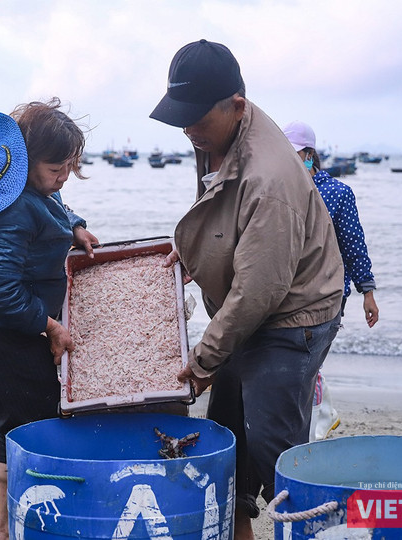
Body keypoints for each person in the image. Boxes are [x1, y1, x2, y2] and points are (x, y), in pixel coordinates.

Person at [150, 40, 344, 539]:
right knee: (228, 428)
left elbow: (261, 290)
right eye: (181, 118)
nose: (188, 130)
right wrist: (195, 253)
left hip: (294, 314)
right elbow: (219, 210)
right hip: (250, 303)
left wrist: (201, 361)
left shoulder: (271, 179)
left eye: (196, 119)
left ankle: (304, 529)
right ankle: (240, 529)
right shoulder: (215, 133)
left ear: (237, 105)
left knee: (273, 445)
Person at [0, 100, 97, 540]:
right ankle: (5, 528)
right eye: (56, 168)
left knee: (31, 410)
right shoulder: (11, 211)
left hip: (8, 321)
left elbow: (56, 205)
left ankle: (13, 521)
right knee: (23, 420)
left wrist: (76, 227)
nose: (64, 176)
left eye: (70, 166)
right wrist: (50, 326)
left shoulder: (29, 187)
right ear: (26, 164)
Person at [282, 120, 379, 440]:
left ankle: (314, 424)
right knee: (300, 363)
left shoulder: (338, 193)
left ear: (310, 155)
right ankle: (323, 412)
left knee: (308, 362)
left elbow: (353, 244)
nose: (289, 160)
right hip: (290, 293)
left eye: (296, 154)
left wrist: (367, 291)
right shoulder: (282, 191)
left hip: (330, 294)